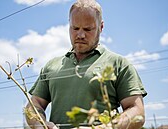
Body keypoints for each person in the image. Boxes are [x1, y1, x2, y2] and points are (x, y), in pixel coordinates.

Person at [26, 0, 147, 129]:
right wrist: (40, 125)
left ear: (101, 27)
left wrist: (104, 128)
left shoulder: (119, 64)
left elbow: (137, 112)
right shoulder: (51, 66)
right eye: (75, 28)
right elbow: (34, 105)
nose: (81, 35)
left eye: (88, 29)